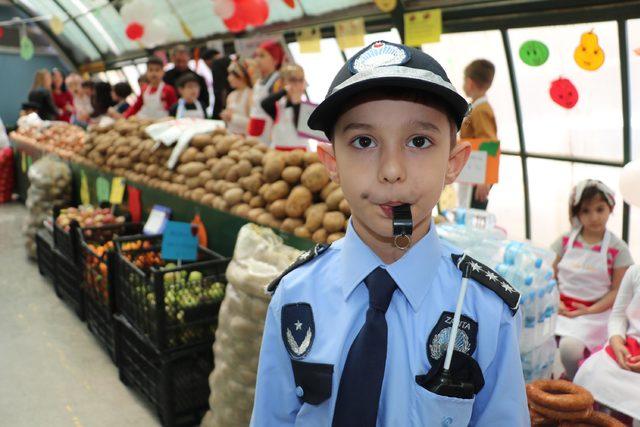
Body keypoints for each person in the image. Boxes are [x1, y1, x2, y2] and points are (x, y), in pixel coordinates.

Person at [251, 40, 528, 426]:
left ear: (454, 163)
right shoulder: (295, 297)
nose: (392, 169)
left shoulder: (486, 311)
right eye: (363, 142)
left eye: (419, 141)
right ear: (332, 163)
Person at [552, 179, 634, 380]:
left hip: (594, 315)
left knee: (569, 350)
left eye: (600, 209)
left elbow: (618, 291)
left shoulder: (618, 249)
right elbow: (549, 275)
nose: (594, 217)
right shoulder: (564, 241)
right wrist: (556, 301)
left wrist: (588, 310)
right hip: (559, 307)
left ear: (610, 208)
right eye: (586, 211)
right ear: (577, 214)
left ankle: (576, 381)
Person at [573, 265, 640, 423]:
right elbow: (618, 315)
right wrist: (616, 339)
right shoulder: (635, 272)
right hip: (629, 347)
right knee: (590, 374)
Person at [458, 59, 497, 211]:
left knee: (470, 212)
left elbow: (490, 144)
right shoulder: (475, 107)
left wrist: (485, 180)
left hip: (478, 175)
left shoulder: (481, 110)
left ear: (469, 82)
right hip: (472, 171)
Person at [260, 64, 308, 151]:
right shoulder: (278, 106)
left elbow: (301, 129)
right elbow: (264, 103)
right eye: (292, 80)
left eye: (300, 80)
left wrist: (296, 104)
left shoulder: (307, 107)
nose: (297, 84)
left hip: (300, 153)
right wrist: (284, 91)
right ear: (282, 82)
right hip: (278, 152)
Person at [247, 40, 284, 144]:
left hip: (269, 135)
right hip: (254, 131)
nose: (257, 59)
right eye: (256, 56)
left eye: (262, 56)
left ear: (275, 60)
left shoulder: (278, 81)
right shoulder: (259, 81)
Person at [163, 45, 209, 114]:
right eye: (178, 61)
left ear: (189, 58)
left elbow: (205, 100)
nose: (181, 64)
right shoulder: (165, 77)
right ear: (172, 59)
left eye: (183, 61)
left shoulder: (198, 78)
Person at [221, 57, 253, 135]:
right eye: (229, 75)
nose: (229, 78)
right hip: (231, 136)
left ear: (242, 76)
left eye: (232, 75)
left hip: (246, 137)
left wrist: (233, 118)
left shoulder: (250, 94)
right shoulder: (231, 96)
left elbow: (253, 122)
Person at [203, 48, 232, 119]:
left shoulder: (217, 64)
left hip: (226, 106)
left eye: (207, 65)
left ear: (208, 61)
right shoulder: (230, 61)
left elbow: (220, 89)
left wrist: (218, 112)